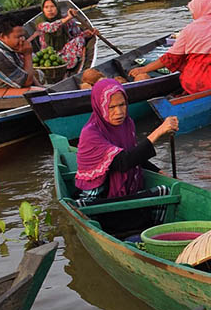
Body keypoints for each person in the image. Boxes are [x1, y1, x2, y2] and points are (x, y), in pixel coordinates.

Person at [74, 79, 178, 233]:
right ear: (100, 106)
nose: (119, 112)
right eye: (111, 107)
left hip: (121, 196)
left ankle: (148, 229)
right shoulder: (90, 133)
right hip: (97, 201)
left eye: (122, 105)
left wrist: (159, 172)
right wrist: (159, 131)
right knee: (164, 192)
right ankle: (145, 228)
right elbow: (123, 162)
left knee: (168, 188)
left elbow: (133, 153)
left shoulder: (127, 124)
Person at [30, 0, 95, 69]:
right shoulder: (40, 21)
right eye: (46, 7)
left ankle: (72, 63)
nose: (49, 10)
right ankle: (67, 64)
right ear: (43, 10)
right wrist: (67, 18)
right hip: (48, 55)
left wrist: (89, 33)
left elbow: (77, 35)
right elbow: (51, 27)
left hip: (64, 51)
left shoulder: (66, 20)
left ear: (57, 8)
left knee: (79, 39)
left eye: (52, 6)